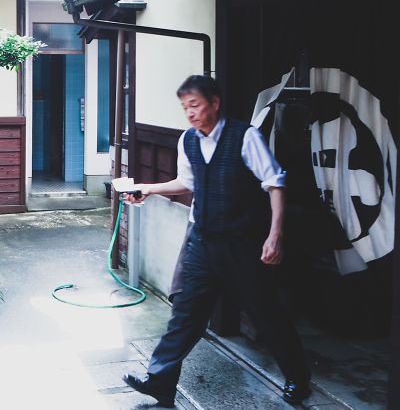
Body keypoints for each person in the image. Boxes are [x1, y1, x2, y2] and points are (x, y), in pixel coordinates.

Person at [122, 75, 310, 407]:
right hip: (201, 241)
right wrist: (148, 189)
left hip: (240, 242)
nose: (190, 113)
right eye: (184, 107)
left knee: (265, 312)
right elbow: (185, 182)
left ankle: (297, 377)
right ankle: (161, 382)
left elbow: (275, 183)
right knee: (186, 313)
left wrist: (275, 234)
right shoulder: (188, 140)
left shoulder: (245, 136)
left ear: (215, 103)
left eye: (194, 105)